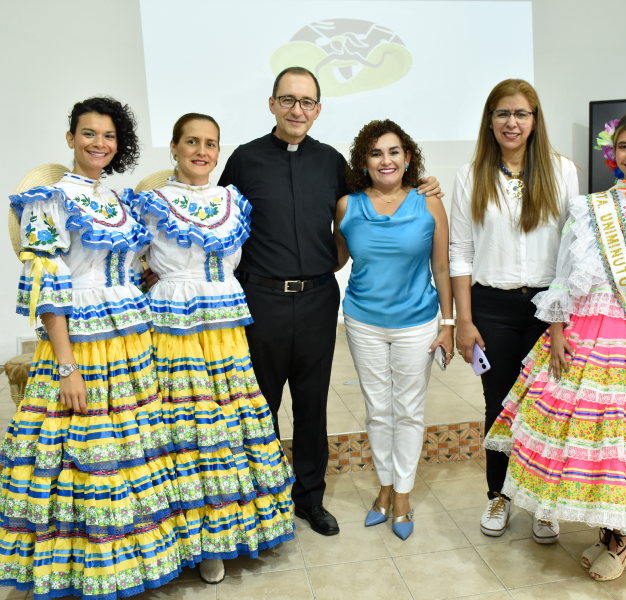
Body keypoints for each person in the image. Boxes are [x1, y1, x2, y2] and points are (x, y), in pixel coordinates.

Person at [483, 111, 626, 580]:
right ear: (614, 152)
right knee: (592, 436)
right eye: (624, 147)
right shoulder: (592, 206)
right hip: (587, 329)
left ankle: (623, 539)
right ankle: (607, 532)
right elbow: (567, 274)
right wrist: (554, 329)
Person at [217, 66, 441, 536]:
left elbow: (369, 204)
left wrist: (424, 185)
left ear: (318, 110)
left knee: (313, 404)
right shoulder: (243, 160)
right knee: (261, 404)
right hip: (262, 298)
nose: (298, 110)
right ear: (272, 103)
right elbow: (217, 221)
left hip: (319, 297)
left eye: (307, 102)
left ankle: (309, 499)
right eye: (288, 100)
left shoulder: (332, 162)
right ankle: (262, 500)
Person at [1, 97, 188, 599]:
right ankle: (83, 570)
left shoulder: (115, 201)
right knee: (83, 455)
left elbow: (125, 267)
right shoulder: (51, 199)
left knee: (130, 449)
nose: (99, 144)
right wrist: (66, 367)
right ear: (70, 139)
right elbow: (47, 289)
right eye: (88, 134)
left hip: (128, 339)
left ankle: (130, 561)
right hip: (81, 345)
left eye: (108, 136)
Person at [132, 113, 295, 584]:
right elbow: (122, 258)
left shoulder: (232, 200)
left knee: (229, 423)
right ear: (174, 147)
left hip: (224, 319)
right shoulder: (152, 202)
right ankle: (192, 542)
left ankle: (228, 532)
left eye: (210, 143)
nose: (201, 151)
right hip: (174, 322)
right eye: (191, 142)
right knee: (186, 425)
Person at [449, 79, 579, 543]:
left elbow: (570, 250)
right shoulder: (470, 175)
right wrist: (463, 321)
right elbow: (460, 251)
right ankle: (499, 495)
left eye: (521, 114)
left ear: (535, 120)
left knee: (549, 407)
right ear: (490, 120)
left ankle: (544, 502)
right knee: (499, 405)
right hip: (492, 307)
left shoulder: (562, 171)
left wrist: (562, 316)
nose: (512, 122)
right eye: (503, 113)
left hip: (548, 307)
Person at [334, 120, 454, 540]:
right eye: (376, 153)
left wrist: (449, 323)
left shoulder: (429, 202)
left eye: (394, 152)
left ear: (407, 158)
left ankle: (402, 495)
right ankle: (384, 486)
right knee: (377, 409)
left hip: (417, 323)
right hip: (363, 322)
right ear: (364, 162)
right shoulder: (348, 206)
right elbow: (335, 259)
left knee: (408, 410)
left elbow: (442, 267)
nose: (386, 160)